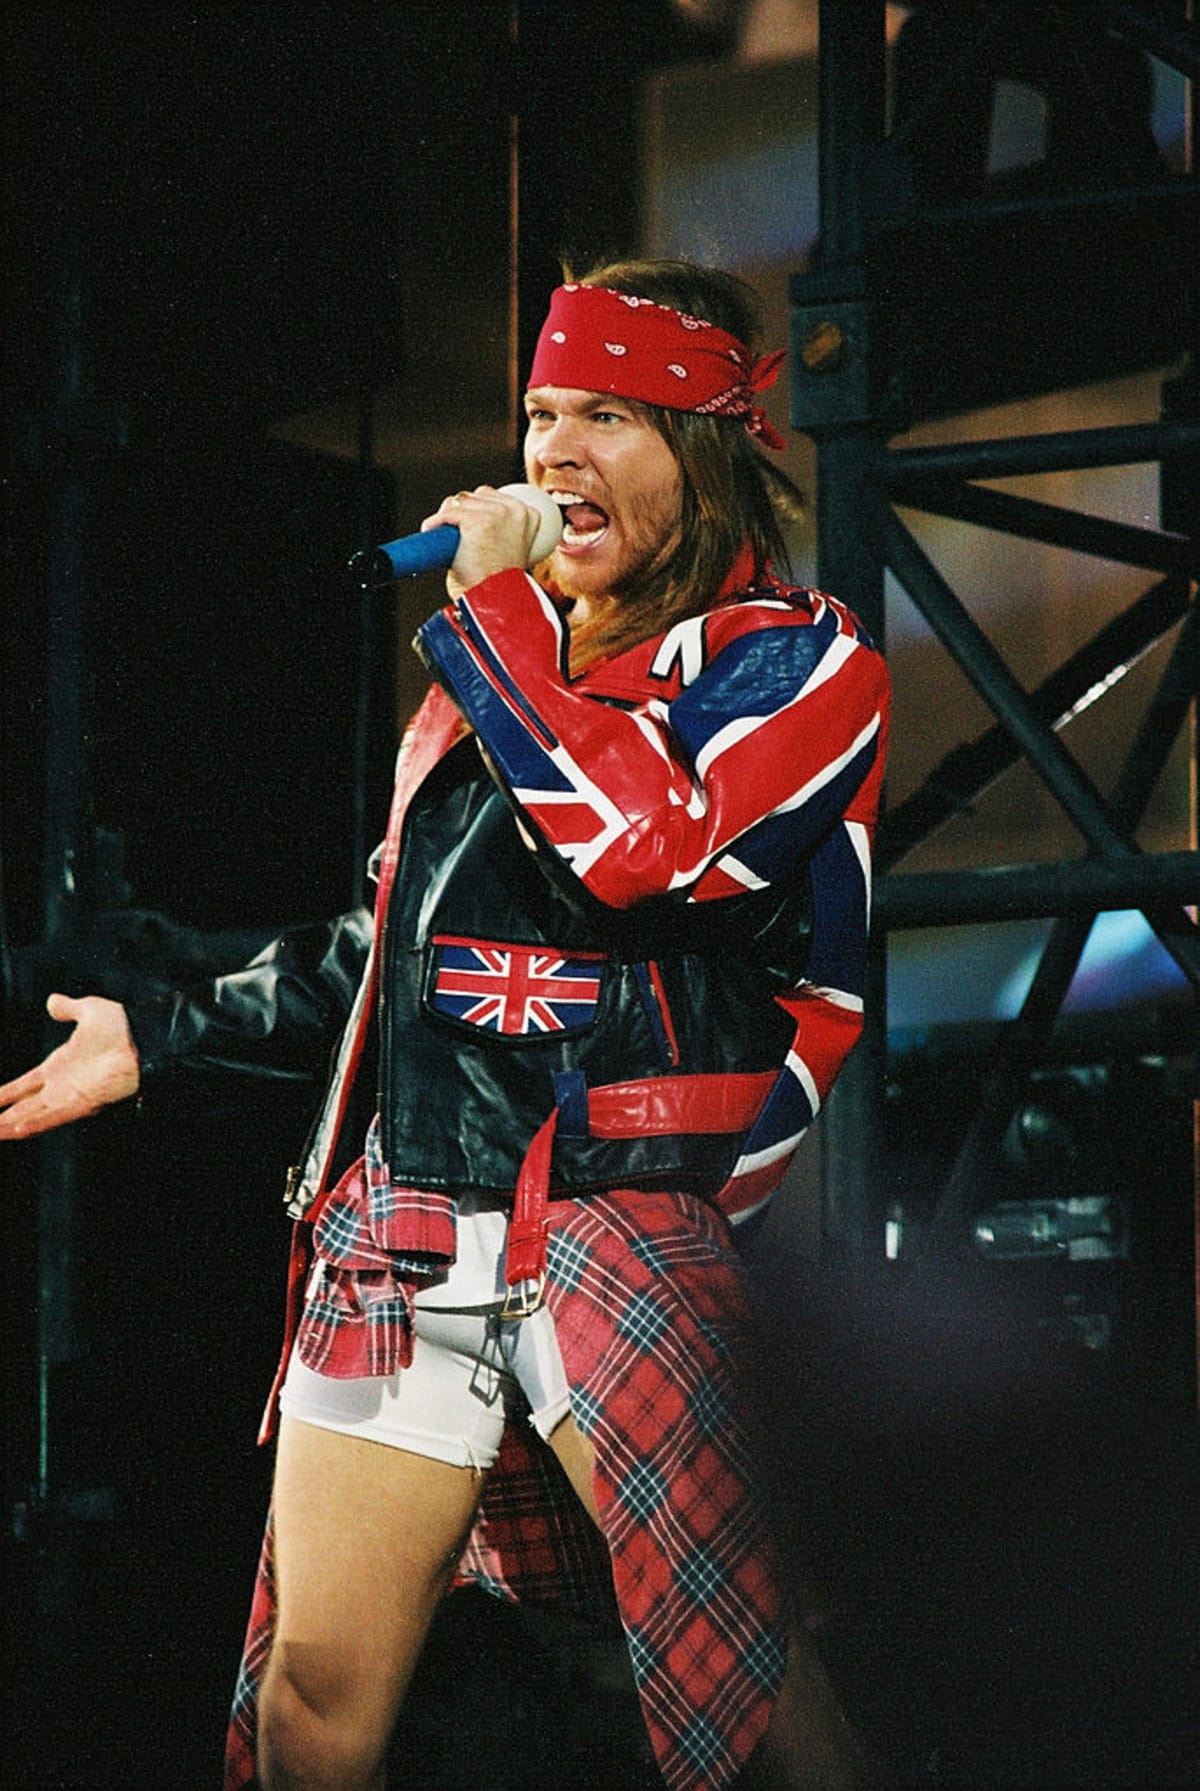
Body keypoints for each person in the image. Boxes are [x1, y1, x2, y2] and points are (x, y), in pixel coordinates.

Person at [0, 259, 890, 1790]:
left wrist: (496, 622)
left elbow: (642, 847)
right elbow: (395, 953)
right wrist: (170, 1032)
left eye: (607, 415)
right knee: (312, 1705)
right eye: (542, 414)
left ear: (704, 441)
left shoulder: (798, 664)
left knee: (746, 1709)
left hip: (615, 1220)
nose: (553, 453)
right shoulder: (505, 673)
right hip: (411, 1224)